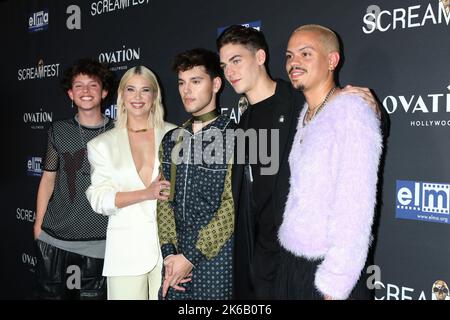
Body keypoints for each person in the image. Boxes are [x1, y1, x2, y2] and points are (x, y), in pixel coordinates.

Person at [217, 24, 388, 299]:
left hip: (318, 266)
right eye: (289, 56)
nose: (229, 71)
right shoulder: (248, 122)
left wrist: (376, 111)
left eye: (236, 60)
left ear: (260, 57)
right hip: (275, 260)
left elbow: (354, 205)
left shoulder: (302, 101)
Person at [277, 24, 382, 300]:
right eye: (289, 56)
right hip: (293, 263)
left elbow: (355, 207)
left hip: (327, 273)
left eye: (305, 54)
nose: (293, 62)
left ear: (332, 61)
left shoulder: (352, 112)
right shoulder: (306, 113)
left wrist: (334, 285)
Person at [86, 66, 176, 300]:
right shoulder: (102, 144)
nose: (137, 97)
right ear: (122, 96)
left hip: (172, 252)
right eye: (131, 90)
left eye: (145, 90)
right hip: (125, 253)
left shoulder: (177, 136)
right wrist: (146, 193)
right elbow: (99, 200)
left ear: (155, 96)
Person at [157, 48, 236, 300]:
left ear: (216, 84)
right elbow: (164, 199)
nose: (186, 90)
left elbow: (232, 204)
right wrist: (169, 253)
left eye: (195, 81)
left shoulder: (234, 135)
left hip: (218, 258)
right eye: (181, 83)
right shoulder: (172, 139)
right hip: (175, 257)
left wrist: (192, 257)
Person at [33, 58, 115, 300]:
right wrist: (38, 224)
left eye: (93, 85)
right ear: (70, 93)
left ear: (104, 91)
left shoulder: (118, 132)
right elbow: (48, 179)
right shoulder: (58, 130)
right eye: (78, 86)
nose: (86, 91)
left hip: (99, 242)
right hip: (54, 239)